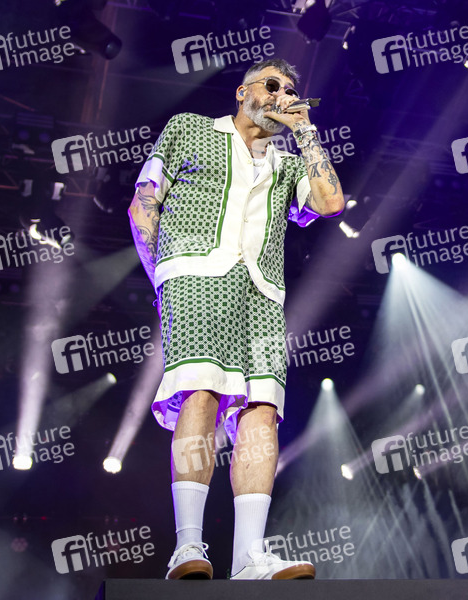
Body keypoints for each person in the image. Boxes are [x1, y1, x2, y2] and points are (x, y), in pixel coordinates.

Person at [128, 58, 344, 581]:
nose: (281, 95)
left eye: (289, 90)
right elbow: (143, 205)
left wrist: (306, 131)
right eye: (272, 85)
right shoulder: (189, 129)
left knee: (262, 412)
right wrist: (163, 281)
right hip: (194, 277)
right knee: (201, 393)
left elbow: (331, 203)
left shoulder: (287, 165)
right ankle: (187, 546)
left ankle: (249, 557)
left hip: (263, 294)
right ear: (243, 92)